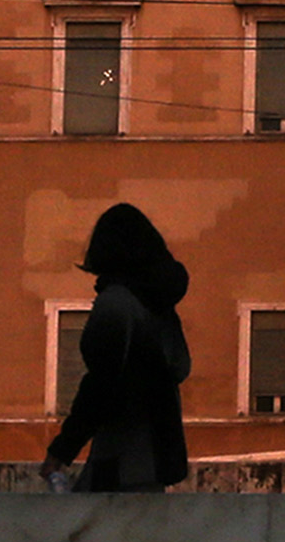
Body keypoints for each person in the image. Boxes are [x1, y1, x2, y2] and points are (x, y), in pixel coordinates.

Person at [42, 201, 193, 493]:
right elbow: (180, 367)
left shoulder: (117, 305)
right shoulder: (160, 307)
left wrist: (61, 451)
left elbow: (100, 386)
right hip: (157, 459)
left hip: (118, 458)